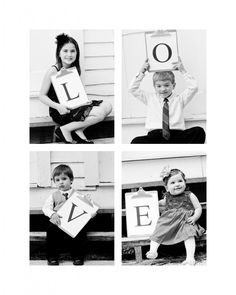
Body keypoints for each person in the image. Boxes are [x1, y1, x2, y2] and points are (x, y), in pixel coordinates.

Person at [39, 33, 112, 144]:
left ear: (77, 53)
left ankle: (78, 129)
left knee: (107, 106)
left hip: (74, 106)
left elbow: (73, 94)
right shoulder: (53, 70)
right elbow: (42, 96)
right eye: (65, 51)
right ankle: (65, 129)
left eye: (72, 51)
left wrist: (85, 102)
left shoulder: (74, 69)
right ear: (59, 53)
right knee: (99, 113)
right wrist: (58, 106)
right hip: (61, 110)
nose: (69, 54)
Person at [128, 57, 205, 143]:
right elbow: (132, 89)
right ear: (154, 86)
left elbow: (194, 87)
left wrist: (183, 71)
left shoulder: (180, 99)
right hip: (155, 136)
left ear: (173, 85)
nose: (163, 89)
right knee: (136, 141)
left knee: (199, 131)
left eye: (167, 85)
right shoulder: (149, 98)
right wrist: (141, 72)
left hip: (176, 135)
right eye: (159, 86)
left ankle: (172, 147)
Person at [146, 166, 205, 265]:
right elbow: (160, 203)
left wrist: (195, 217)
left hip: (185, 221)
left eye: (180, 181)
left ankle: (190, 258)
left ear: (185, 183)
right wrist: (151, 201)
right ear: (167, 188)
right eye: (172, 183)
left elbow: (198, 208)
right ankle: (153, 250)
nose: (177, 184)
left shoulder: (190, 195)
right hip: (169, 222)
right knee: (159, 230)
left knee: (189, 234)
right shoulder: (167, 197)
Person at [42, 164, 96, 265]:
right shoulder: (53, 196)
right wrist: (53, 214)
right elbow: (46, 207)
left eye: (64, 179)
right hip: (59, 222)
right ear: (54, 182)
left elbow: (90, 207)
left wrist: (91, 212)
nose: (61, 182)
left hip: (73, 222)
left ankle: (78, 256)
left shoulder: (78, 195)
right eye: (57, 180)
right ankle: (52, 257)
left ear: (71, 180)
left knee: (80, 231)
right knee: (50, 230)